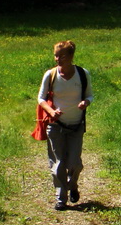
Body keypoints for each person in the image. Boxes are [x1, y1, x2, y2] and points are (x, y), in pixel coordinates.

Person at [37, 40, 93, 210]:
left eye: (61, 56)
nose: (57, 59)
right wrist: (51, 112)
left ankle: (73, 185)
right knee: (58, 163)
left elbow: (90, 96)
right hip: (55, 125)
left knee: (74, 163)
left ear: (71, 56)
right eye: (55, 55)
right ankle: (61, 198)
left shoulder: (83, 74)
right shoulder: (50, 75)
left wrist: (85, 102)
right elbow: (40, 98)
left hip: (76, 126)